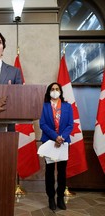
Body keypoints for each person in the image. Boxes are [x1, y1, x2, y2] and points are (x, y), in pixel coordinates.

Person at [39, 82, 73, 211]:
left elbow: (70, 124)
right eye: (52, 89)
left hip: (63, 143)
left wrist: (61, 137)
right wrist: (55, 137)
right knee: (49, 172)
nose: (55, 91)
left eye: (57, 89)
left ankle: (60, 198)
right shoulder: (44, 106)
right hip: (49, 142)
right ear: (49, 92)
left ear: (60, 91)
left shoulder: (67, 106)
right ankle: (51, 198)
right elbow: (42, 124)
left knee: (62, 172)